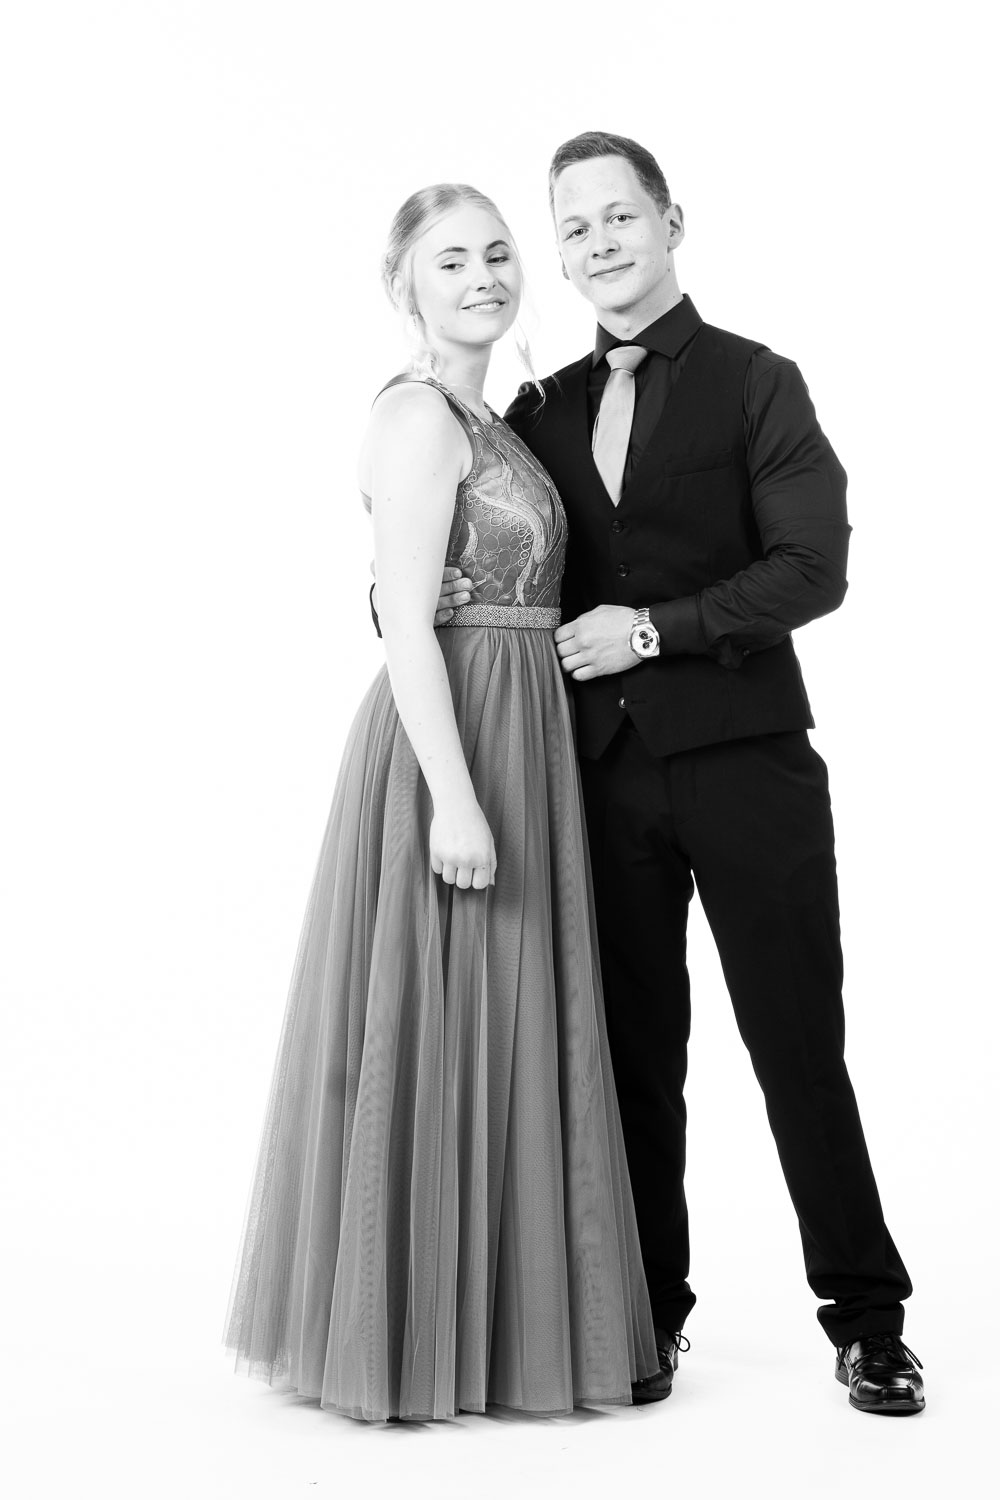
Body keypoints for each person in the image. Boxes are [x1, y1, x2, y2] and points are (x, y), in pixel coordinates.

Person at [429, 133, 924, 1415]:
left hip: (749, 766)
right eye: (573, 227)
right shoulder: (539, 413)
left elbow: (813, 567)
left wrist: (654, 631)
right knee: (631, 1057)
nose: (597, 243)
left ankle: (868, 1320)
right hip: (596, 780)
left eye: (618, 217)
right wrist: (413, 593)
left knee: (797, 1045)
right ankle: (647, 1314)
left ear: (669, 222)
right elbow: (492, 557)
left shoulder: (759, 382)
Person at [224, 183, 662, 1423]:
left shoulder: (499, 419)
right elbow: (407, 622)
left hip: (524, 727)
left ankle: (505, 1326)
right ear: (402, 286)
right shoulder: (418, 415)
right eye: (450, 260)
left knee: (511, 1017)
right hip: (454, 737)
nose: (482, 277)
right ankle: (409, 1335)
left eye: (497, 254)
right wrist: (456, 804)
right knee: (438, 1016)